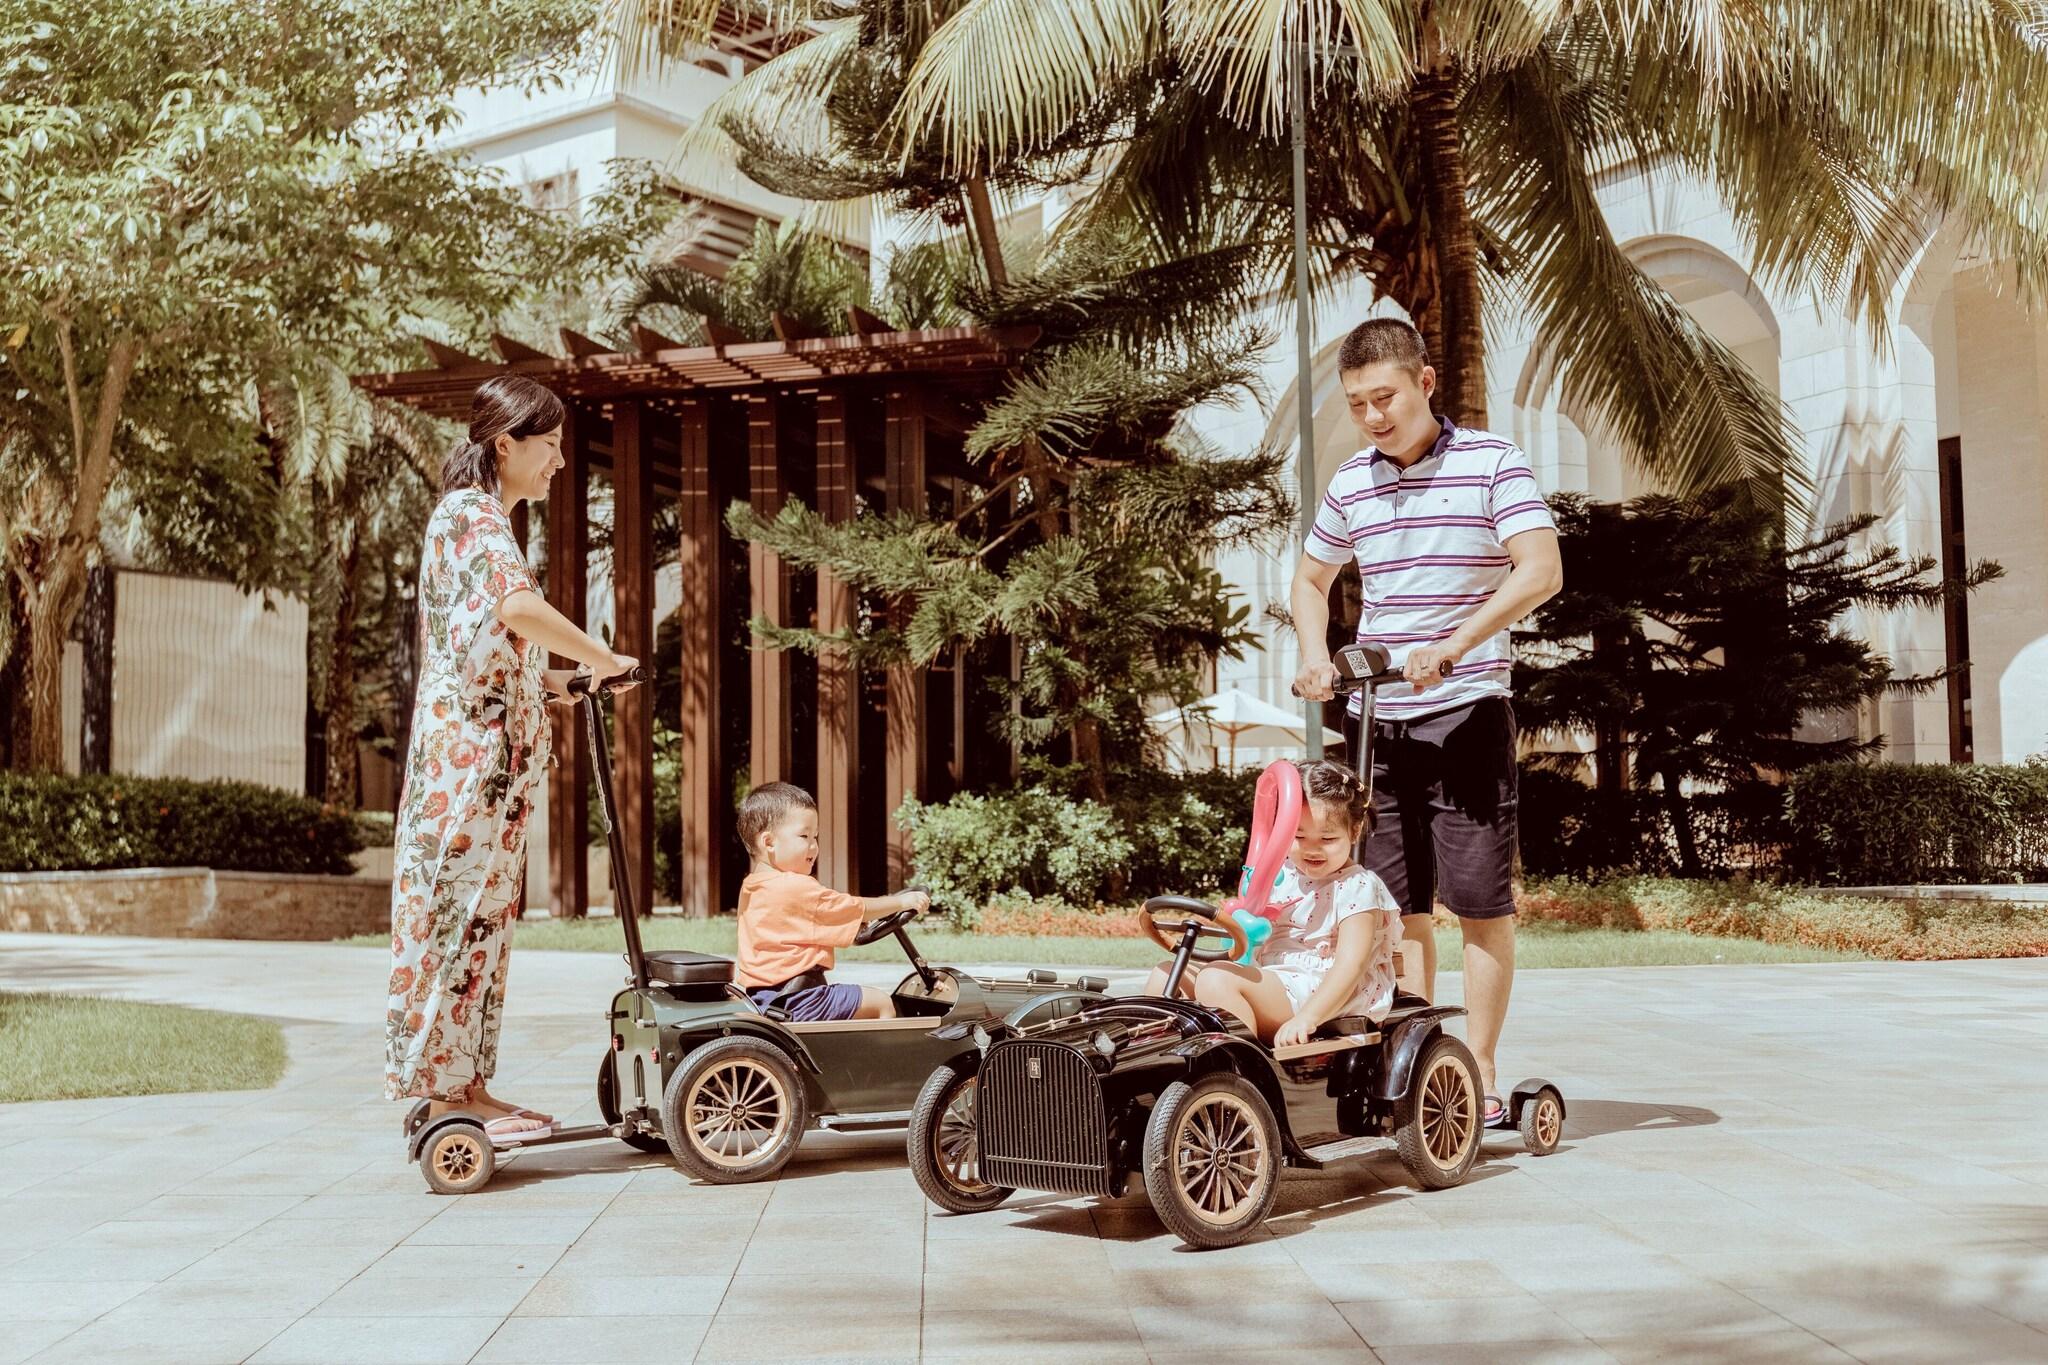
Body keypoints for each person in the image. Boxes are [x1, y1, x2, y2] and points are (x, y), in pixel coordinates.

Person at [1291, 316, 1563, 1125]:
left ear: (1425, 382)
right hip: (1378, 721)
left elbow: (1541, 568)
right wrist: (1315, 652)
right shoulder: (1351, 483)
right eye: (1357, 403)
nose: (1373, 416)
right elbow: (1311, 579)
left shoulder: (1492, 462)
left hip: (1467, 713)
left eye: (1386, 398)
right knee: (1396, 903)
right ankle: (1415, 1064)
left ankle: (1477, 1067)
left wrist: (1455, 644)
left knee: (1480, 904)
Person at [384, 375, 639, 1146]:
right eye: (550, 444)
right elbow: (516, 608)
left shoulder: (481, 518)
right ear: (506, 444)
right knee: (459, 922)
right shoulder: (472, 514)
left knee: (481, 928)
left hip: (484, 767)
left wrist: (563, 680)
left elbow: (486, 648)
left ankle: (466, 1086)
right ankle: (448, 1094)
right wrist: (603, 653)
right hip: (466, 770)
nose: (559, 460)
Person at [1144, 761, 1402, 1047]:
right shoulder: (1280, 874)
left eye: (1327, 838)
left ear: (1354, 831)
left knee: (1217, 979)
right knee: (1166, 974)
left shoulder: (1357, 886)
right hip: (1274, 978)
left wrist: (1308, 1017)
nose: (1312, 848)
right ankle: (1159, 1059)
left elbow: (1351, 964)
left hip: (1322, 992)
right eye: (1298, 836)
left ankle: (1240, 1067)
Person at [735, 782, 930, 1021]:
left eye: (815, 837)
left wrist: (859, 924)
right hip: (801, 1000)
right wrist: (900, 902)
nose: (814, 847)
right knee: (881, 1004)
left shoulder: (753, 886)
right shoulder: (794, 887)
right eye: (804, 836)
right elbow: (856, 908)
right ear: (768, 842)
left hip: (768, 999)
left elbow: (806, 927)